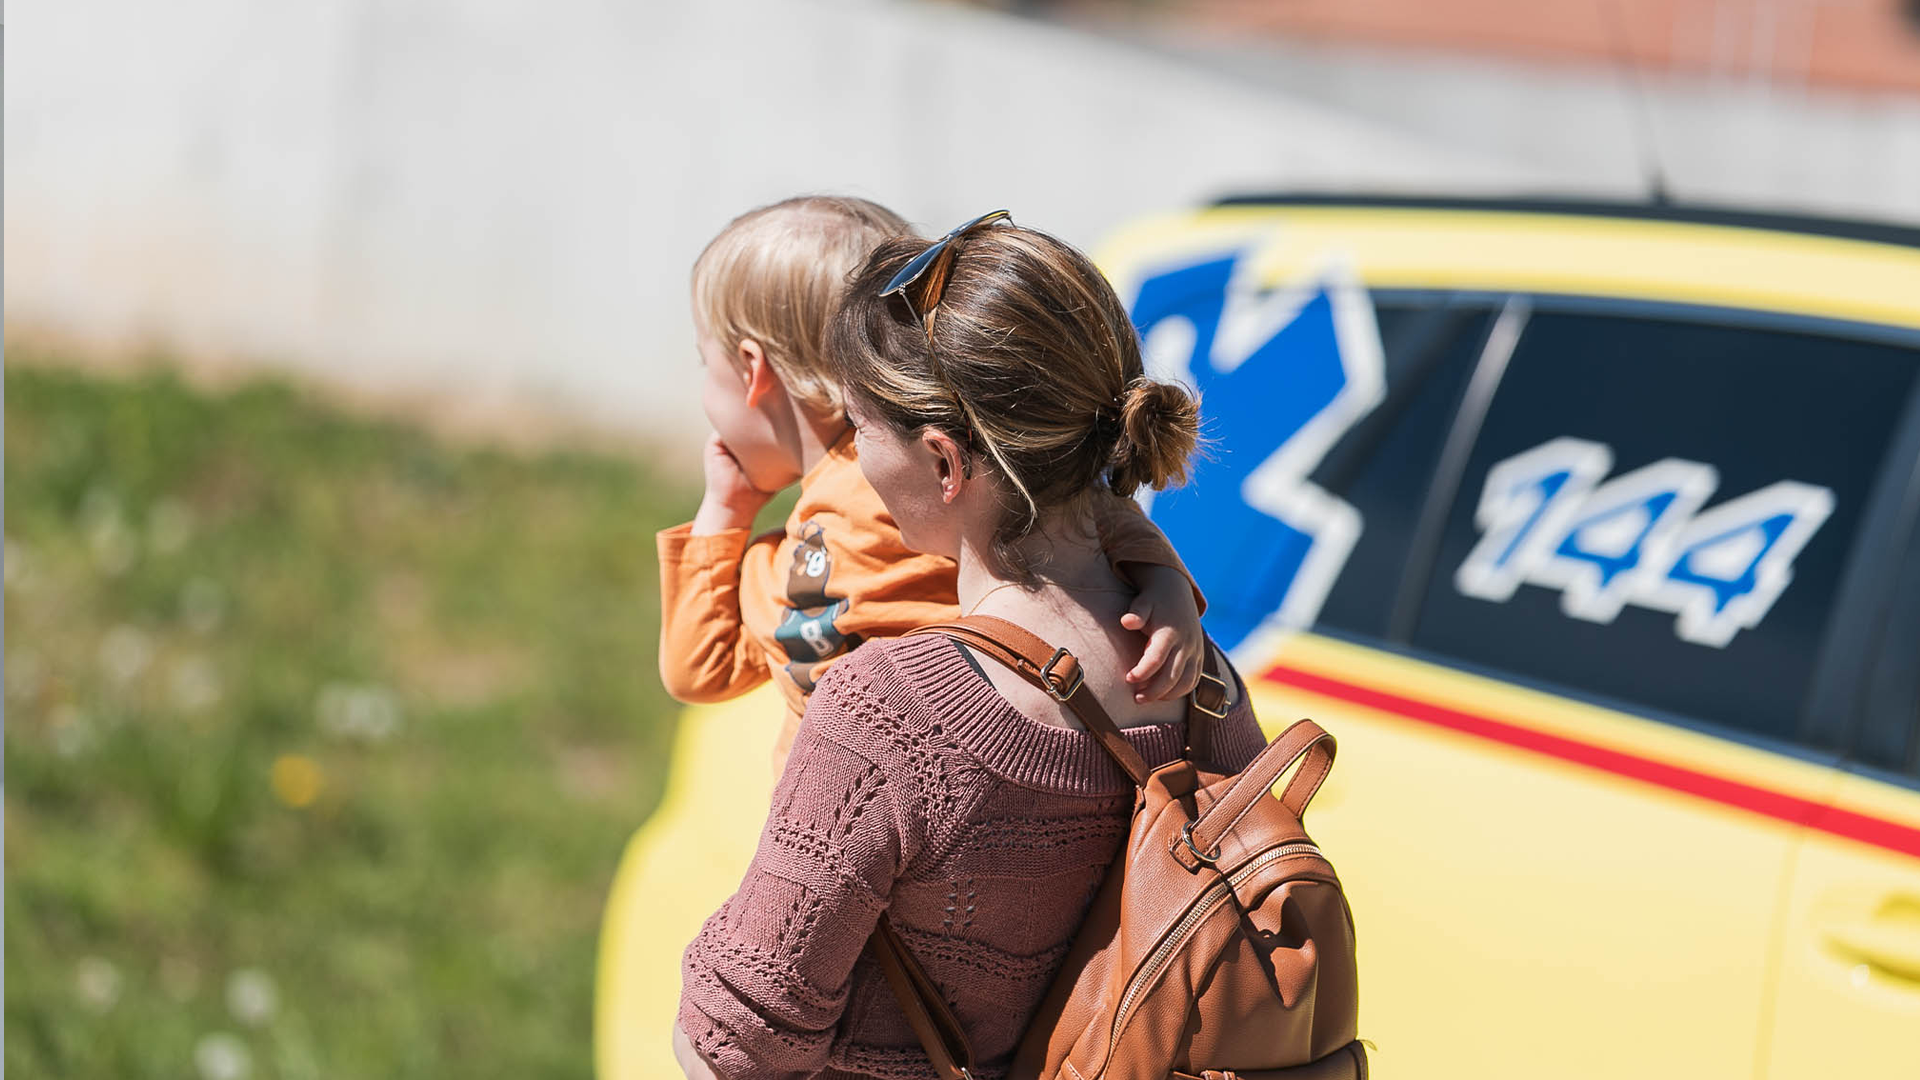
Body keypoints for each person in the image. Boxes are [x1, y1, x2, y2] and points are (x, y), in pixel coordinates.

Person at [673, 214, 1267, 1080]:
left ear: (945, 464)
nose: (854, 462)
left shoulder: (883, 716)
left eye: (859, 430)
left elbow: (733, 1046)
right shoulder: (1207, 684)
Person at [658, 197, 1211, 773]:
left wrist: (723, 514)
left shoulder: (898, 490)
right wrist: (1163, 581)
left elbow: (702, 668)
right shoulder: (835, 520)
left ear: (752, 370)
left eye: (706, 364)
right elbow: (1076, 500)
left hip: (893, 799)